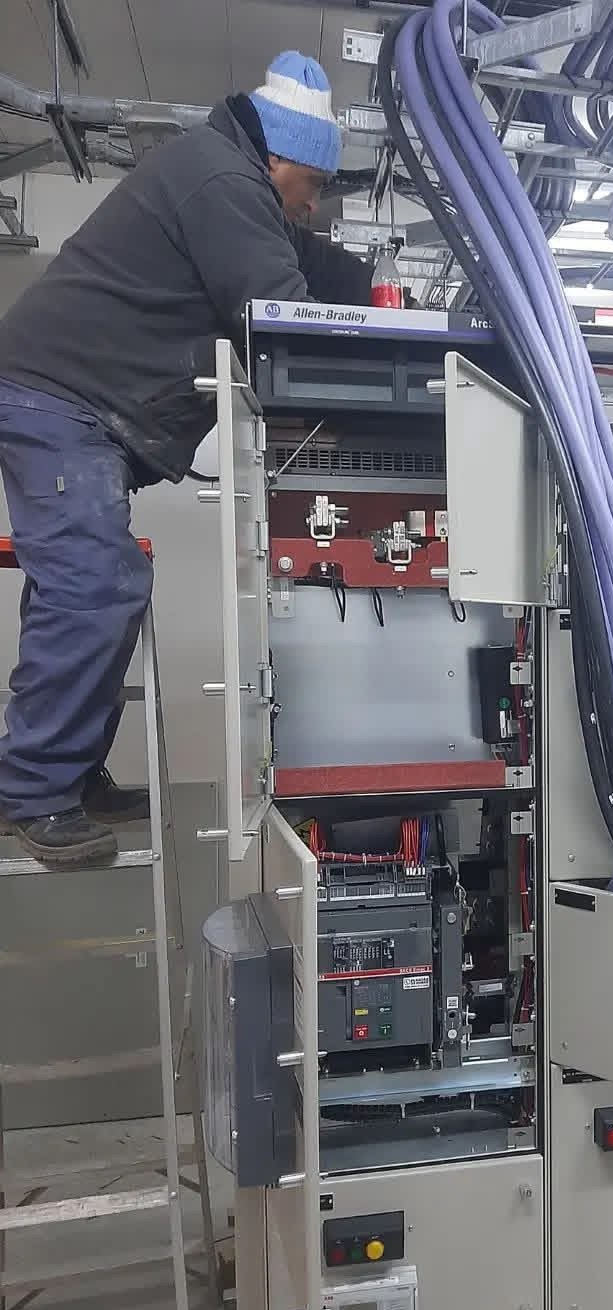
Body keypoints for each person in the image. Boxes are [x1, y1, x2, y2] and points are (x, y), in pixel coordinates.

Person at [0, 52, 376, 865]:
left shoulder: (227, 177)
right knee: (96, 584)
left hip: (67, 403)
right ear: (280, 159)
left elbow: (301, 259)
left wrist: (382, 293)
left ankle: (67, 774)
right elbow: (278, 311)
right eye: (313, 187)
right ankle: (31, 791)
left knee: (93, 583)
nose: (312, 207)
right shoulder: (221, 181)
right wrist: (367, 378)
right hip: (55, 400)